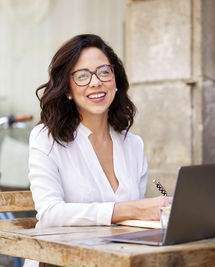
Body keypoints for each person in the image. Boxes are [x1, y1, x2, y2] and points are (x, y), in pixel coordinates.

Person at [25, 34, 171, 267]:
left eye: (104, 71)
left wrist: (163, 213)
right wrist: (132, 209)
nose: (96, 82)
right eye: (82, 76)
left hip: (116, 260)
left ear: (116, 81)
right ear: (68, 90)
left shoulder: (133, 145)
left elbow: (133, 223)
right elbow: (50, 213)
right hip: (58, 261)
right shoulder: (46, 138)